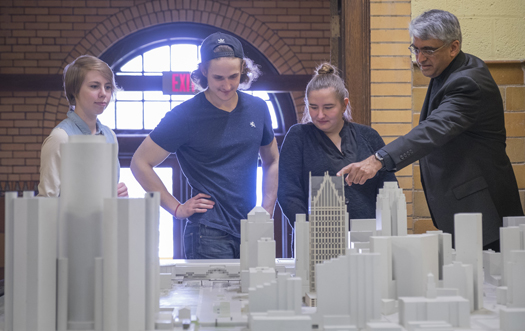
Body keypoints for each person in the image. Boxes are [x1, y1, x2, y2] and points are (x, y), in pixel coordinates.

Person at [337, 10, 524, 250]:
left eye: (428, 50)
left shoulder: (468, 83)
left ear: (453, 47)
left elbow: (432, 130)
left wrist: (378, 160)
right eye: (415, 49)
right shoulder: (450, 70)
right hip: (468, 208)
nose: (419, 58)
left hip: (483, 211)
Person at [130, 32, 279, 259]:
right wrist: (177, 208)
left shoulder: (258, 108)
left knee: (255, 294)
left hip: (251, 229)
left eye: (234, 76)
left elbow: (272, 160)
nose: (227, 85)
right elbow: (139, 163)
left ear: (243, 71)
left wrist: (267, 210)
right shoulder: (185, 115)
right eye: (219, 78)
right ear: (204, 71)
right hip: (208, 233)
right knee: (217, 297)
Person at [278, 63, 397, 227]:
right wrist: (307, 231)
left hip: (369, 238)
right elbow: (288, 193)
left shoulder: (369, 136)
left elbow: (389, 187)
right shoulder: (298, 137)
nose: (320, 115)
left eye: (328, 107)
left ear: (344, 104)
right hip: (316, 241)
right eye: (313, 107)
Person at [38, 55, 128, 197]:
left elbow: (107, 196)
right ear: (74, 90)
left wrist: (118, 196)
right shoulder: (61, 137)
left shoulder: (110, 136)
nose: (103, 93)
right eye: (94, 86)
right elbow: (46, 202)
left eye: (108, 87)